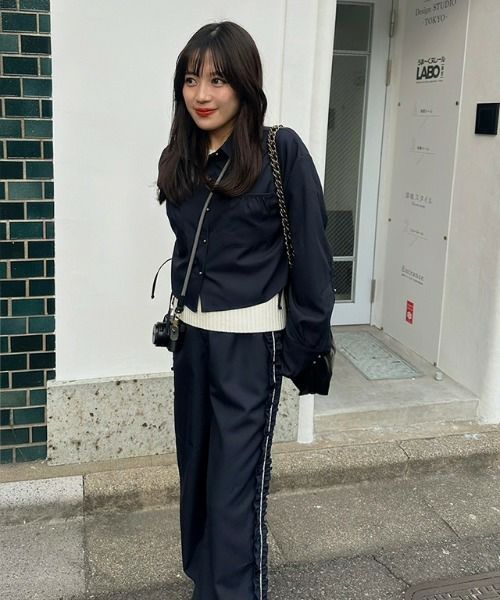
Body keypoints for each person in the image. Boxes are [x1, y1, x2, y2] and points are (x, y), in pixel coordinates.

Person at [156, 21, 335, 600]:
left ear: (245, 84)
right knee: (197, 487)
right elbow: (189, 246)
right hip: (193, 346)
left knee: (236, 496)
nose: (202, 94)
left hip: (250, 350)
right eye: (191, 79)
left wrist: (300, 348)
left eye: (218, 80)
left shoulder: (280, 152)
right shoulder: (181, 156)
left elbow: (313, 260)